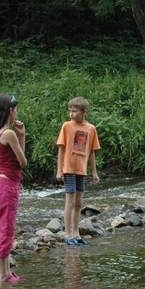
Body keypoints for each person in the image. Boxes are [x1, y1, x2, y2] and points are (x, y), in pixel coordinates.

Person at [56, 97, 100, 246]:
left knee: (78, 203)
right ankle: (68, 234)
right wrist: (59, 170)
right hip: (69, 168)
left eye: (74, 111)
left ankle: (76, 233)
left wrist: (94, 172)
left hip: (82, 169)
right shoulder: (67, 126)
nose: (71, 114)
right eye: (70, 111)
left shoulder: (91, 129)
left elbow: (92, 152)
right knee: (70, 200)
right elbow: (61, 149)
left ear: (83, 111)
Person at [0, 94, 27, 284]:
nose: (16, 111)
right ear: (10, 111)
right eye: (15, 108)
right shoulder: (8, 134)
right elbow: (23, 162)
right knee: (6, 227)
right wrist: (21, 136)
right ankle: (4, 275)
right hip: (8, 184)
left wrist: (21, 135)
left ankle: (6, 272)